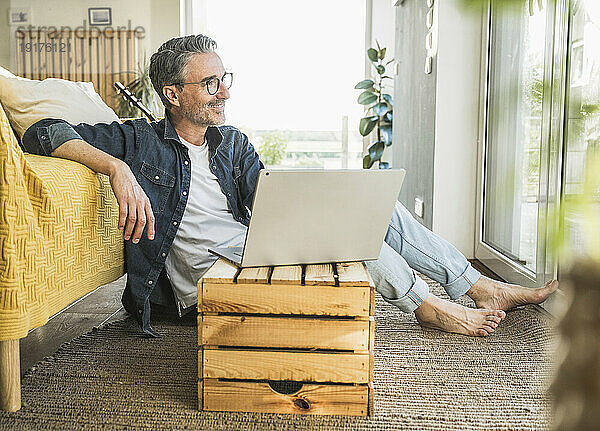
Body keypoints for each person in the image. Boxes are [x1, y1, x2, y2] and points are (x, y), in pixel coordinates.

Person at [21, 35, 558, 338]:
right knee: (343, 239)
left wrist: (303, 201)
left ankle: (476, 285)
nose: (223, 91)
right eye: (210, 83)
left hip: (253, 248)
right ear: (172, 93)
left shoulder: (231, 142)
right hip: (210, 274)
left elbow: (262, 195)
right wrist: (116, 170)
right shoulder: (135, 142)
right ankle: (430, 308)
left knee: (378, 213)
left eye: (225, 78)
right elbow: (42, 131)